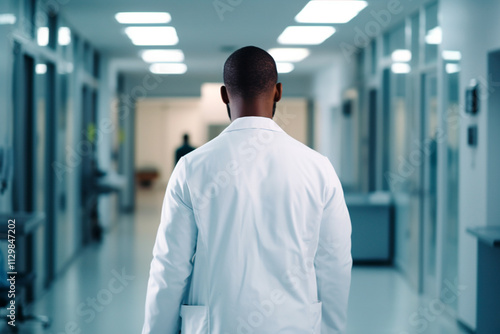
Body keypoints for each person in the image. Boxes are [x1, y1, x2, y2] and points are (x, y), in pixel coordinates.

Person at [142, 46, 352, 334]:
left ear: (224, 95)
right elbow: (334, 265)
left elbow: (170, 268)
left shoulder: (191, 168)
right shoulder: (318, 168)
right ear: (278, 91)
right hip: (294, 325)